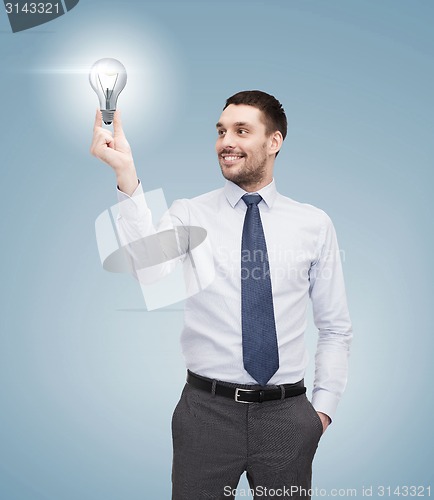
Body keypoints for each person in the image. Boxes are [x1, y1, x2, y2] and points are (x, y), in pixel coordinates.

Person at [90, 90, 352, 499]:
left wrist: (322, 413)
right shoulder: (190, 213)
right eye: (221, 131)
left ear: (274, 142)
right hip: (205, 415)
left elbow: (335, 327)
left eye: (241, 130)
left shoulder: (314, 225)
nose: (226, 141)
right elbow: (150, 271)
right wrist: (126, 172)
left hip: (287, 416)